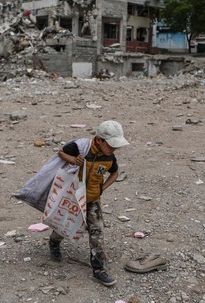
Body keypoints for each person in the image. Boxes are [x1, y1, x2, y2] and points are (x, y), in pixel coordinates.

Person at [48, 120, 129, 287]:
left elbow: (115, 174)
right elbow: (60, 153)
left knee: (97, 230)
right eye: (111, 145)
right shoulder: (80, 148)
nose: (114, 149)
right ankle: (54, 242)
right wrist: (72, 159)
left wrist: (102, 189)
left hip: (92, 199)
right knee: (67, 225)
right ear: (99, 139)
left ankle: (98, 269)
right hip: (73, 197)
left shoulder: (110, 158)